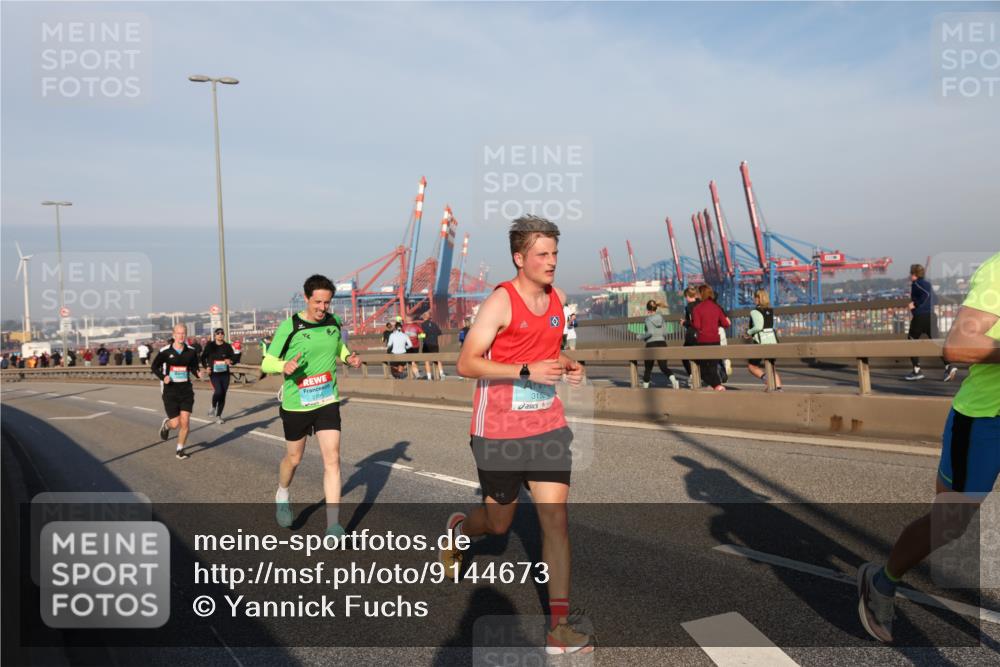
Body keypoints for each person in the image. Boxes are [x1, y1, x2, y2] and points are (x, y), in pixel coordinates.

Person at [440, 216, 592, 655]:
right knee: (499, 522)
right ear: (519, 257)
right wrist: (525, 370)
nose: (551, 262)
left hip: (546, 424)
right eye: (542, 254)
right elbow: (467, 363)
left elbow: (547, 349)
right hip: (499, 431)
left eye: (555, 253)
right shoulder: (499, 304)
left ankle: (558, 627)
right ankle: (459, 533)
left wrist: (567, 363)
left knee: (556, 521)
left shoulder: (558, 299)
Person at [858, 251, 999, 643]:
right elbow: (957, 346)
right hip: (986, 419)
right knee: (950, 523)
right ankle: (883, 583)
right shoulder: (999, 271)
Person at [260, 274, 361, 538]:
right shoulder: (290, 326)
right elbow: (266, 362)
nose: (322, 308)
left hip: (327, 399)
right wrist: (284, 365)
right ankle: (282, 492)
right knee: (294, 459)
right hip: (297, 403)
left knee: (333, 459)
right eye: (317, 302)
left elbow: (338, 346)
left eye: (327, 303)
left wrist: (349, 357)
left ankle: (333, 526)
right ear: (305, 298)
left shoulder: (333, 322)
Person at [151, 324, 202, 460]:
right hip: (170, 391)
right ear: (173, 335)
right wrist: (163, 377)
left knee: (185, 422)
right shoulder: (165, 351)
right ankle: (166, 425)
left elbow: (194, 367)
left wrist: (198, 373)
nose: (181, 336)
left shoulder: (191, 351)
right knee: (175, 423)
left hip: (186, 390)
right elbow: (154, 367)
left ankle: (180, 449)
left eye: (183, 333)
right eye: (178, 333)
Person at [905, 263, 958, 382]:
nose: (910, 276)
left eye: (911, 274)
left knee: (911, 341)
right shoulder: (927, 284)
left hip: (920, 317)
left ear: (914, 274)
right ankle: (949, 366)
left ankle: (917, 371)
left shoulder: (916, 284)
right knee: (936, 343)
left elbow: (926, 295)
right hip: (931, 316)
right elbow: (935, 299)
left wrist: (915, 304)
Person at [691, 285, 731, 391]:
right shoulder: (716, 307)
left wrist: (691, 322)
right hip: (715, 340)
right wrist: (715, 323)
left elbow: (697, 326)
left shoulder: (697, 308)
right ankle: (718, 386)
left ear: (701, 294)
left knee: (703, 371)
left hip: (703, 341)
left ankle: (717, 386)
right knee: (713, 367)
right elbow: (726, 324)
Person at [744, 289, 783, 391]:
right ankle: (778, 387)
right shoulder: (770, 310)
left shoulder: (755, 311)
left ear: (758, 298)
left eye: (755, 297)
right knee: (771, 366)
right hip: (772, 340)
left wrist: (748, 332)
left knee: (752, 366)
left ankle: (768, 381)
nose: (754, 299)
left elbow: (758, 327)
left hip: (761, 342)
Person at [640, 299, 679, 389]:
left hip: (651, 345)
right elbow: (665, 332)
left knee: (648, 368)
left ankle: (645, 388)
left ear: (648, 309)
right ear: (656, 308)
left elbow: (649, 333)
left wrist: (641, 337)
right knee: (663, 366)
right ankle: (674, 381)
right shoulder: (661, 318)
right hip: (662, 343)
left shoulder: (648, 319)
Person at [202, 328, 237, 423]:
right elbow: (202, 357)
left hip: (225, 374)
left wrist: (231, 360)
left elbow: (234, 357)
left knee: (223, 395)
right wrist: (206, 367)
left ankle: (219, 416)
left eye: (222, 333)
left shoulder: (227, 346)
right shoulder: (210, 346)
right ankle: (213, 406)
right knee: (218, 391)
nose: (220, 335)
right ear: (215, 335)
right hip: (214, 373)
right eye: (218, 333)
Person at [680, 286, 700, 385]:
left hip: (693, 334)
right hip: (703, 333)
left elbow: (693, 322)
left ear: (688, 296)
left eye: (685, 297)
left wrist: (684, 322)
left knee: (684, 355)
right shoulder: (701, 303)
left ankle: (692, 375)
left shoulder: (689, 307)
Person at [420, 312, 445, 380]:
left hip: (427, 344)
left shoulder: (422, 325)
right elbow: (439, 332)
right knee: (437, 359)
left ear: (424, 317)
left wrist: (419, 336)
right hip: (435, 344)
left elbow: (422, 335)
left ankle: (429, 376)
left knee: (427, 360)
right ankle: (442, 374)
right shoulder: (434, 324)